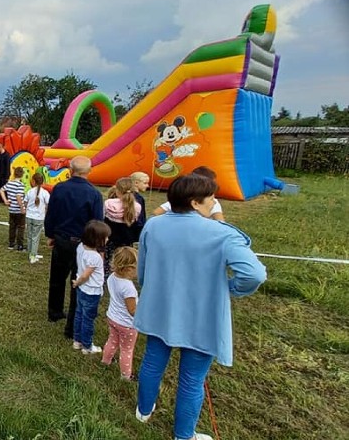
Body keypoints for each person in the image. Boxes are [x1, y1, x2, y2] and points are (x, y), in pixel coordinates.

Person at [134, 174, 266, 440]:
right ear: (195, 203)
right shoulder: (222, 233)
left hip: (159, 307)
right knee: (192, 378)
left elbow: (143, 270)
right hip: (200, 317)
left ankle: (143, 411)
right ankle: (183, 435)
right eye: (211, 198)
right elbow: (254, 274)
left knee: (153, 361)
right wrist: (232, 289)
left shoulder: (153, 225)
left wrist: (152, 290)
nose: (215, 202)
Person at [44, 156, 103, 337]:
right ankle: (70, 325)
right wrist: (97, 247)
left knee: (57, 278)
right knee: (79, 283)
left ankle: (54, 312)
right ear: (89, 171)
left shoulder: (59, 189)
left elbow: (51, 214)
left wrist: (51, 234)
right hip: (82, 244)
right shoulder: (94, 194)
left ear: (70, 170)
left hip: (63, 239)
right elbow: (97, 223)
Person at [71, 220, 111, 354]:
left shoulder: (81, 247)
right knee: (88, 319)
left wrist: (78, 284)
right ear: (97, 240)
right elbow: (86, 275)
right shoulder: (95, 257)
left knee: (79, 314)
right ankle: (87, 346)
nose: (107, 239)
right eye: (105, 238)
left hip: (82, 290)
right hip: (91, 291)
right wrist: (78, 282)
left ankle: (77, 340)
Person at [101, 246, 139, 380]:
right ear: (128, 268)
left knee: (112, 340)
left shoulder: (112, 277)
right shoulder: (129, 288)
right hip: (127, 324)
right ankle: (126, 376)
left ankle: (106, 360)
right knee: (126, 350)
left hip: (112, 317)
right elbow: (132, 311)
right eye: (136, 267)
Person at [153, 166, 225, 221]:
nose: (214, 202)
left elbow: (220, 220)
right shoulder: (180, 199)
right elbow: (156, 212)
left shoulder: (212, 202)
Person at [104, 177, 143, 276]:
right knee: (124, 259)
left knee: (107, 259)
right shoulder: (137, 206)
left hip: (110, 237)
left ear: (117, 190)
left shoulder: (109, 203)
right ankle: (122, 275)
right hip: (126, 238)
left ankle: (106, 276)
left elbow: (103, 217)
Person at [25, 172, 50, 264]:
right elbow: (48, 204)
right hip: (38, 218)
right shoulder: (45, 193)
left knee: (30, 235)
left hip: (29, 216)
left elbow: (25, 202)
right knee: (35, 237)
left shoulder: (29, 191)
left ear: (33, 181)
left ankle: (31, 252)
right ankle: (33, 256)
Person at [0, 166, 27, 251]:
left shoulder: (9, 183)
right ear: (22, 175)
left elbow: (1, 190)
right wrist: (22, 208)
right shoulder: (21, 185)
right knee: (21, 227)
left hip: (11, 209)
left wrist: (5, 200)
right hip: (19, 210)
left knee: (12, 227)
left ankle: (11, 243)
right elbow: (19, 197)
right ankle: (20, 245)